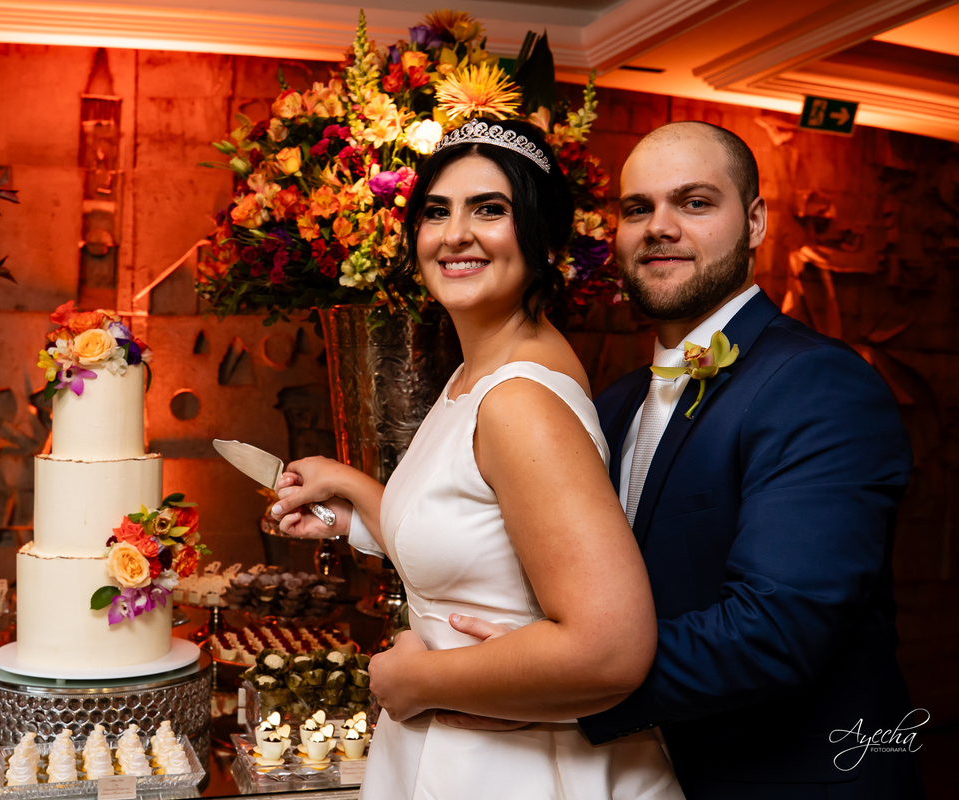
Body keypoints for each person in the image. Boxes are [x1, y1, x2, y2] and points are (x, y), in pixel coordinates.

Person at [381, 121, 928, 799]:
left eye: (695, 203)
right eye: (637, 208)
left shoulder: (819, 384)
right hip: (637, 773)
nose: (659, 227)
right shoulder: (612, 402)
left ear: (755, 222)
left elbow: (777, 629)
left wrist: (536, 684)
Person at [271, 118, 684, 799]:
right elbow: (485, 542)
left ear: (543, 238)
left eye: (489, 209)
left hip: (515, 768)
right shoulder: (477, 373)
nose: (455, 234)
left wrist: (416, 680)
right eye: (437, 212)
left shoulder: (519, 401)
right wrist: (354, 496)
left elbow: (610, 649)